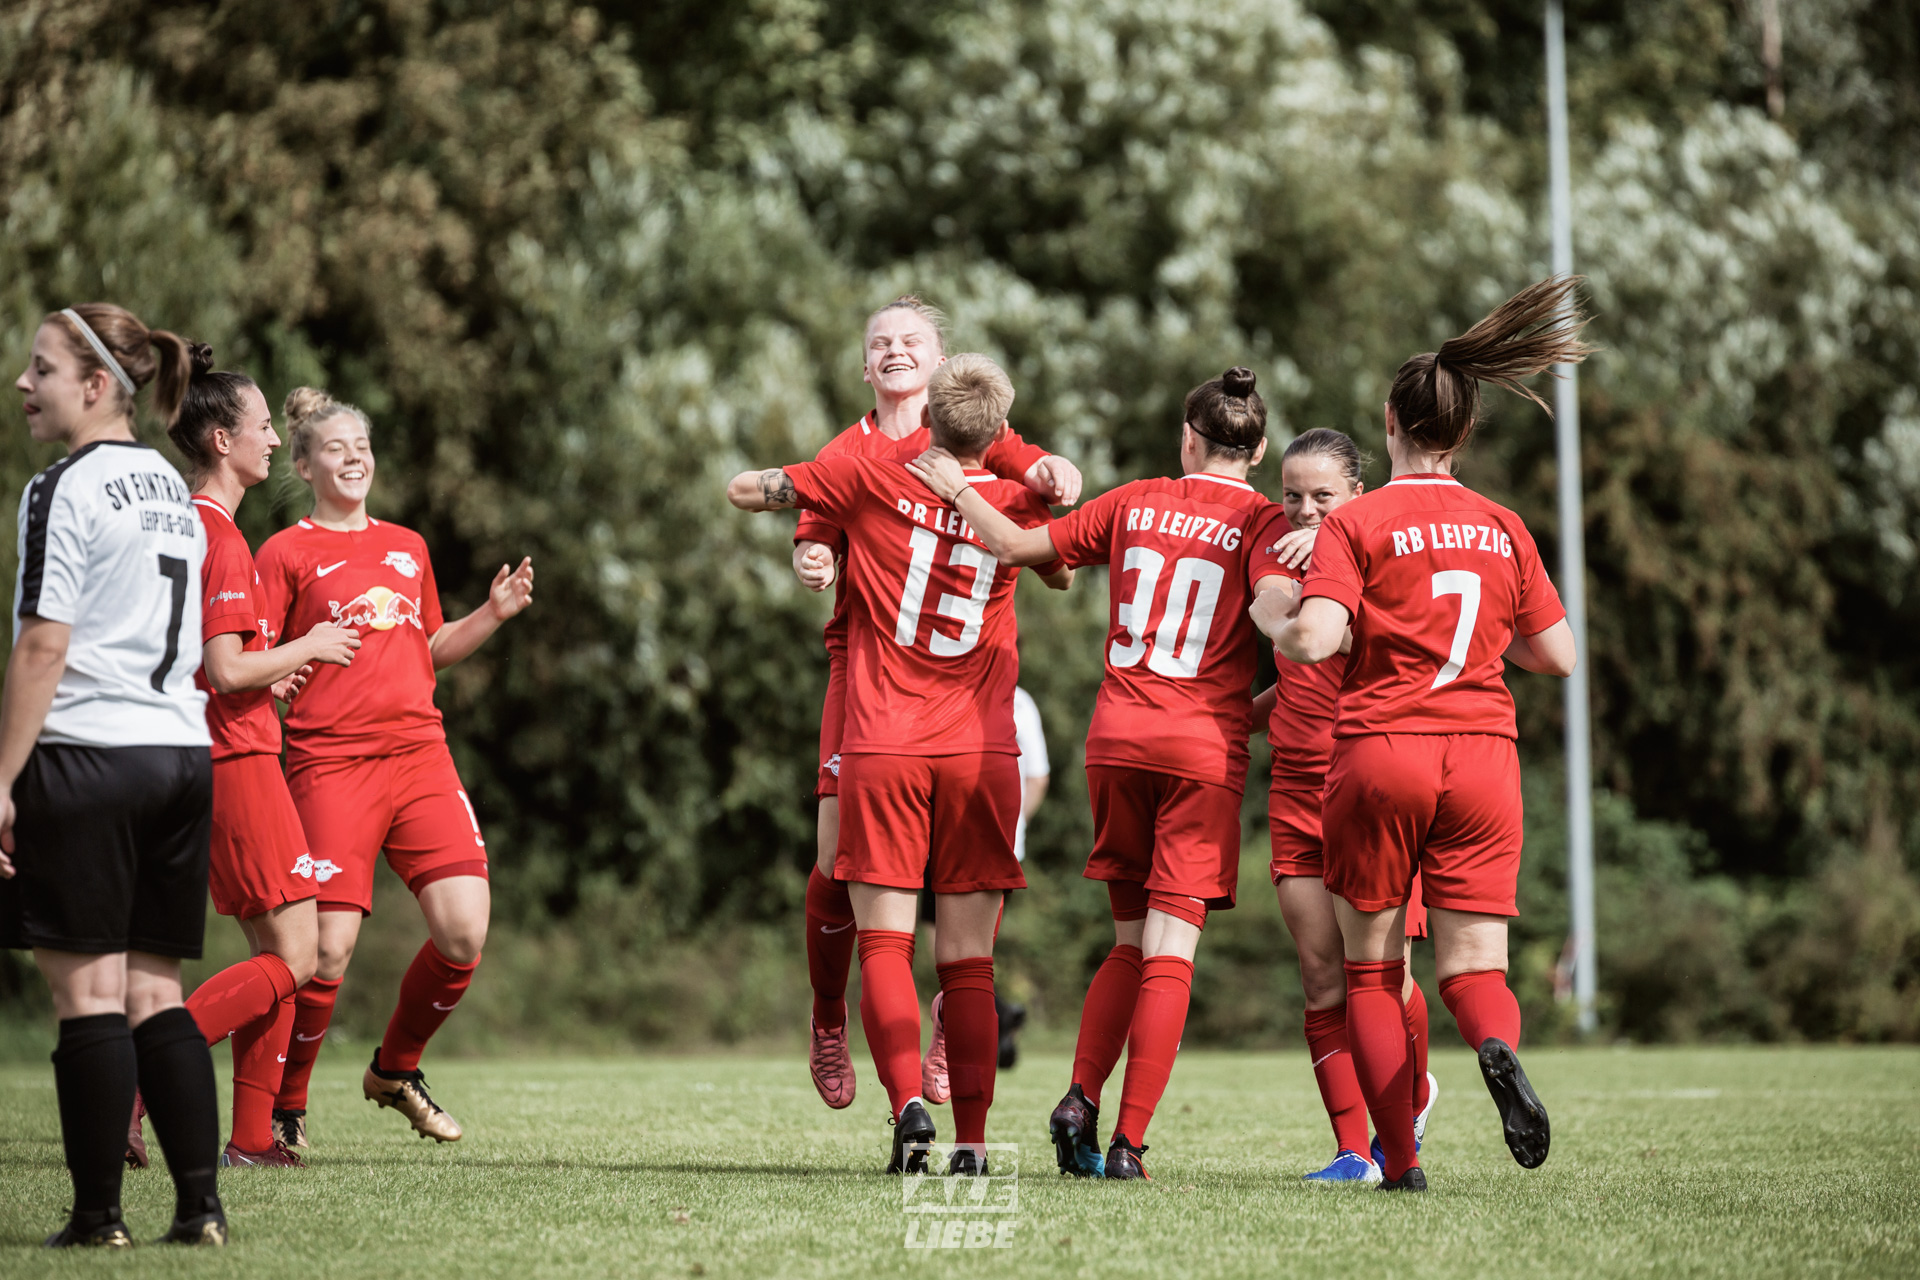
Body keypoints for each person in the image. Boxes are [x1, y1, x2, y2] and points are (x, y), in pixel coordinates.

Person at [911, 366, 1290, 1181]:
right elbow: (1288, 625)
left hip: (1115, 742)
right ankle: (1127, 1144)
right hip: (1199, 752)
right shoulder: (1264, 522)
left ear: (1186, 439)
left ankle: (1079, 1098)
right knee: (1170, 952)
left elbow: (1017, 546)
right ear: (1258, 451)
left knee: (1127, 942)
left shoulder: (1133, 502)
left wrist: (957, 487)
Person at [1267, 277, 1589, 1191]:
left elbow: (1317, 639)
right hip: (1483, 755)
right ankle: (1493, 1045)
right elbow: (1557, 655)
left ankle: (1401, 1163)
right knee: (1475, 968)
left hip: (1383, 751)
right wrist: (1480, 639)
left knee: (1371, 972)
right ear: (1465, 429)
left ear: (1389, 423)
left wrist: (1278, 616)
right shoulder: (1503, 524)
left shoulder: (1358, 520)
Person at [730, 353, 1072, 1175]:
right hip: (981, 751)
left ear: (930, 421)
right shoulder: (1014, 499)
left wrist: (794, 501)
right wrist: (1033, 479)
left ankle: (907, 1110)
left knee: (884, 945)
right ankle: (973, 1144)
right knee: (970, 965)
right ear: (1001, 429)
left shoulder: (867, 475)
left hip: (882, 741)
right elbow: (1058, 572)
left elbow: (748, 490)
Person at [791, 296, 1081, 1112]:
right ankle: (827, 1016)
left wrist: (1056, 472)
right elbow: (813, 528)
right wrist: (815, 557)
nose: (894, 349)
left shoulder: (970, 433)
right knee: (835, 859)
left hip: (963, 683)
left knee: (970, 865)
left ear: (941, 361)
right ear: (864, 366)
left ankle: (957, 1013)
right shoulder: (847, 453)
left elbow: (1038, 471)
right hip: (868, 672)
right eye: (879, 341)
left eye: (910, 339)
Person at [0, 304, 228, 1246]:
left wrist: (1, 778)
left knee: (88, 998)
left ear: (97, 385)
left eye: (42, 368)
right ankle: (200, 1211)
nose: (24, 383)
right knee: (155, 995)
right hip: (181, 757)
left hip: (90, 755)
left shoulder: (62, 487)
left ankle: (98, 1220)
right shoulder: (171, 484)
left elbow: (42, 646)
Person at [254, 387, 534, 1148]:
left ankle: (395, 1070)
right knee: (327, 951)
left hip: (419, 758)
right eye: (335, 449)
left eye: (362, 447)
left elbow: (428, 648)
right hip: (329, 764)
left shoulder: (408, 546)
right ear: (304, 465)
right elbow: (247, 660)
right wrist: (275, 678)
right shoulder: (284, 553)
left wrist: (493, 614)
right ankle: (286, 1109)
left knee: (464, 931)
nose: (354, 459)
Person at [161, 350, 360, 1168]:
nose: (275, 440)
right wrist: (308, 644)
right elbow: (224, 667)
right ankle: (150, 1065)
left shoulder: (183, 525)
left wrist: (271, 677)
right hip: (237, 761)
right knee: (298, 957)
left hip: (219, 750)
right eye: (264, 426)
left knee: (277, 955)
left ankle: (250, 1139)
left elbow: (213, 666)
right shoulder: (220, 535)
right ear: (222, 440)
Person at [1249, 428, 1435, 1186]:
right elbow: (1299, 679)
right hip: (1296, 789)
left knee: (1385, 975)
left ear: (1357, 494)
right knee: (1321, 976)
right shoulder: (1281, 554)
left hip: (1371, 782)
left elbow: (1348, 649)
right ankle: (1353, 1152)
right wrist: (1239, 717)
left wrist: (1300, 593)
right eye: (1291, 495)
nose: (1303, 509)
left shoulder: (1377, 552)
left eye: (1322, 496)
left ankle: (1411, 1102)